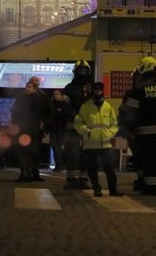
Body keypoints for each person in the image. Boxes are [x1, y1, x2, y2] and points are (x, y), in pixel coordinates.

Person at [121, 57, 156, 196]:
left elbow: (131, 113)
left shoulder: (139, 88)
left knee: (150, 160)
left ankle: (151, 188)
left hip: (146, 133)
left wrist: (129, 128)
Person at [74, 82, 122, 197]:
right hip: (91, 143)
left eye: (100, 90)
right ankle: (96, 188)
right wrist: (87, 132)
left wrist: (110, 133)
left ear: (102, 91)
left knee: (109, 168)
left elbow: (114, 123)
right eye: (96, 90)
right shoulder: (86, 107)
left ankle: (113, 189)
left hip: (106, 143)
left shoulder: (108, 107)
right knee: (92, 168)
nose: (98, 92)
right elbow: (78, 122)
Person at [11, 76, 51, 182]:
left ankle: (33, 172)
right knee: (24, 151)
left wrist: (44, 123)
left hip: (35, 129)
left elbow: (49, 112)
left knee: (34, 152)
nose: (28, 88)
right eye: (27, 85)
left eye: (32, 85)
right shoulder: (21, 97)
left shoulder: (43, 97)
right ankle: (25, 172)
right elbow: (15, 112)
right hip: (23, 128)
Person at [62, 60, 92, 189]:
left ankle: (84, 179)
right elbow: (65, 106)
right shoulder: (68, 88)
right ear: (75, 72)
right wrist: (76, 116)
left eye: (84, 71)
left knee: (87, 154)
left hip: (87, 127)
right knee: (72, 154)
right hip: (72, 125)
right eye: (80, 71)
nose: (82, 73)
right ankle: (72, 180)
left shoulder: (90, 88)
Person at [48, 89, 67, 172]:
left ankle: (60, 165)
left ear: (61, 95)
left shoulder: (64, 104)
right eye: (54, 94)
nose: (55, 96)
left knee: (59, 147)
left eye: (57, 94)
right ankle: (58, 165)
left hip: (61, 129)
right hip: (53, 129)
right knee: (54, 147)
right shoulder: (51, 104)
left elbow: (64, 116)